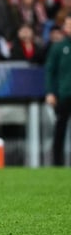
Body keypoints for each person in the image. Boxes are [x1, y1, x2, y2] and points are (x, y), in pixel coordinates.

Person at [44, 15, 71, 166]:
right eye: (68, 25)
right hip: (64, 94)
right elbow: (50, 71)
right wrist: (50, 92)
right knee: (60, 129)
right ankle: (57, 163)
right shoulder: (58, 47)